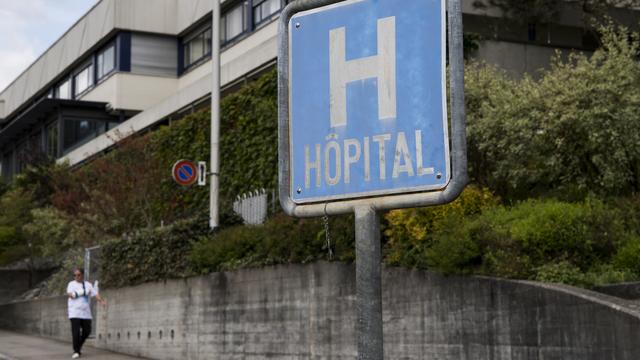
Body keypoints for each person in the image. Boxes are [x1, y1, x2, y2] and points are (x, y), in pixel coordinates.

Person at [67, 268, 106, 359]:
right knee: (75, 332)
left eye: (78, 275)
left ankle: (78, 345)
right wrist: (81, 292)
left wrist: (102, 301)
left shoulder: (88, 285)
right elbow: (70, 295)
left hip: (85, 313)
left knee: (87, 331)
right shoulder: (71, 284)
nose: (76, 277)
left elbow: (95, 294)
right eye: (75, 275)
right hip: (74, 312)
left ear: (82, 275)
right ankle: (76, 351)